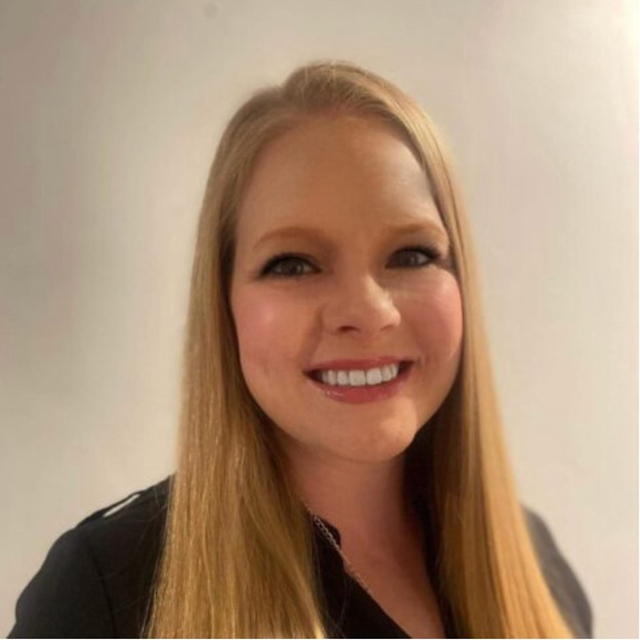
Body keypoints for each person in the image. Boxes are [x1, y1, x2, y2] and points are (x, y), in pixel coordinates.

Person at [8, 60, 593, 638]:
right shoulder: (106, 592)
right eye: (293, 263)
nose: (369, 313)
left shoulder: (536, 570)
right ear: (224, 303)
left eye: (412, 254)